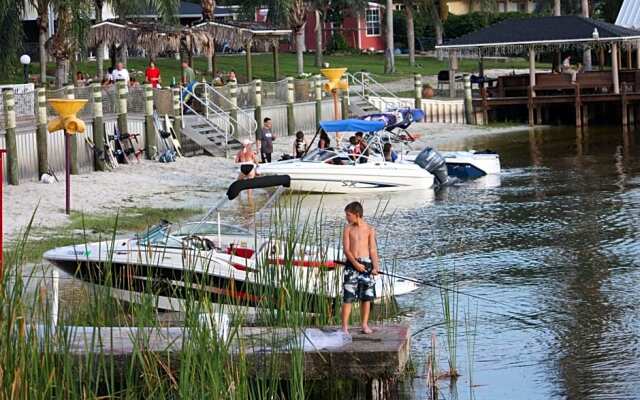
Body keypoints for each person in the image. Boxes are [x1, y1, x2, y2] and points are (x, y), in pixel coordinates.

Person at [341, 201, 380, 335]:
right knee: (348, 297)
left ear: (357, 214)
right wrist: (355, 264)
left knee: (366, 297)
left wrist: (375, 267)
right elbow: (346, 250)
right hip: (352, 264)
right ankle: (345, 328)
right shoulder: (347, 228)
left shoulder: (370, 229)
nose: (347, 217)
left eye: (348, 215)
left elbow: (373, 250)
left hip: (366, 264)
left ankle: (364, 324)